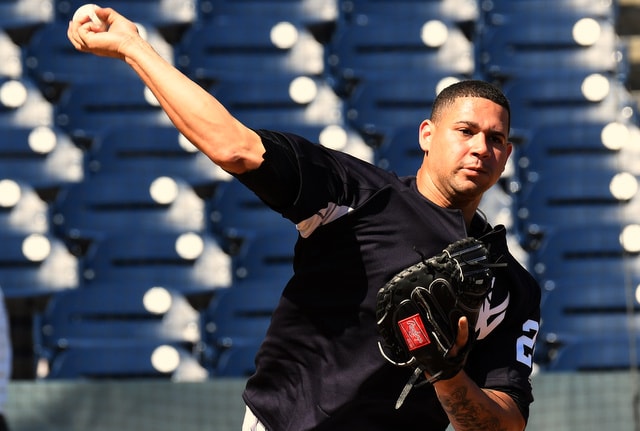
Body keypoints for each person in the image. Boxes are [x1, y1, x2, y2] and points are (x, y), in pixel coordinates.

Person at [67, 8, 541, 431]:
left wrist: (447, 375)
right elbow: (233, 147)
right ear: (427, 134)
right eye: (465, 131)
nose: (481, 147)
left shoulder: (508, 284)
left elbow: (504, 424)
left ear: (507, 155)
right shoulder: (356, 194)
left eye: (496, 139)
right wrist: (134, 47)